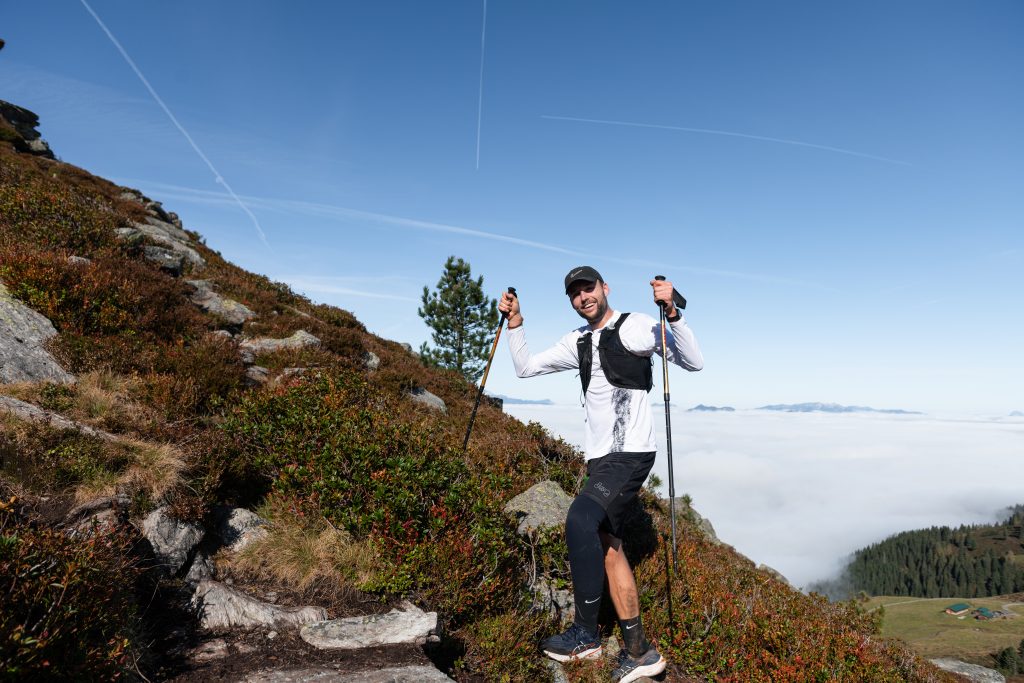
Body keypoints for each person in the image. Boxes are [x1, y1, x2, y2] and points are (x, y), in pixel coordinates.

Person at [498, 266, 703, 683]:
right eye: (574, 293)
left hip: (629, 453)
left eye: (588, 288)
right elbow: (525, 368)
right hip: (600, 458)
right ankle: (640, 652)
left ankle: (585, 636)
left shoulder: (637, 326)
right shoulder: (577, 341)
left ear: (604, 289)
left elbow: (692, 362)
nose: (582, 296)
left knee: (579, 519)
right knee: (610, 546)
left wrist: (674, 313)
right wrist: (516, 324)